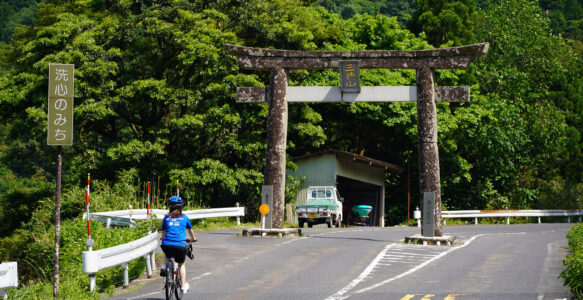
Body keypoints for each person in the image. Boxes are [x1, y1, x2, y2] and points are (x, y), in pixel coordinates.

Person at [160, 195, 196, 294]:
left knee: (167, 254)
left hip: (166, 244)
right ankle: (183, 286)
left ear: (169, 206)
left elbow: (163, 232)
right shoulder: (184, 218)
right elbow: (190, 232)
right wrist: (193, 239)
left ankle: (164, 266)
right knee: (181, 265)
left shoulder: (166, 218)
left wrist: (163, 239)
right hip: (180, 245)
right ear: (181, 206)